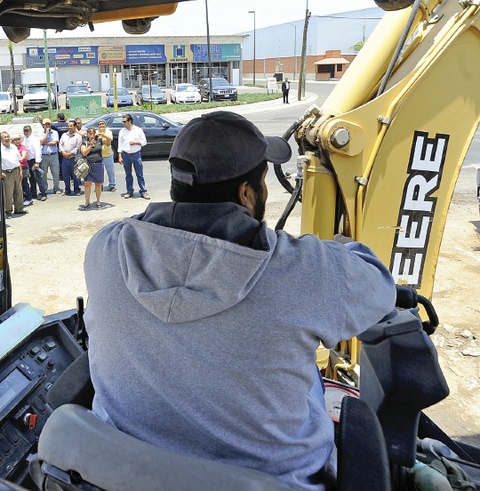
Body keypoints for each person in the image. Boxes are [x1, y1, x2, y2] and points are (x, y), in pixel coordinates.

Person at [84, 111, 395, 489]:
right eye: (264, 182)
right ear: (247, 193)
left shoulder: (105, 248)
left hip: (125, 472)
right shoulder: (305, 270)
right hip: (276, 480)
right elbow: (380, 287)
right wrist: (337, 250)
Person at [117, 114, 149, 199]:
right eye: (123, 121)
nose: (123, 123)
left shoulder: (138, 130)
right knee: (128, 175)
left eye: (124, 121)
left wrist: (135, 143)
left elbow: (144, 142)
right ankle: (129, 191)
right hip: (126, 155)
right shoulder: (122, 131)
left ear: (130, 121)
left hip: (136, 154)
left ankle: (143, 191)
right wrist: (120, 156)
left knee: (139, 174)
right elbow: (120, 144)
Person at [0, 132, 27, 217]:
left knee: (18, 191)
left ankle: (19, 209)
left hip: (16, 171)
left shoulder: (13, 147)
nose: (7, 138)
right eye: (4, 137)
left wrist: (20, 171)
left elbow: (18, 160)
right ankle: (8, 211)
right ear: (1, 139)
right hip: (6, 173)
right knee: (8, 193)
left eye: (8, 136)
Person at [79, 128, 106, 210]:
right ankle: (87, 202)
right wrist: (91, 145)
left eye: (93, 133)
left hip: (98, 164)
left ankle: (98, 201)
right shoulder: (85, 142)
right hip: (88, 166)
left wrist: (102, 134)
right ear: (87, 134)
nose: (91, 135)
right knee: (87, 184)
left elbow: (109, 141)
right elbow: (84, 153)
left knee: (98, 184)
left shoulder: (99, 141)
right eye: (90, 133)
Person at [23, 125, 47, 201]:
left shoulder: (35, 139)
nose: (26, 132)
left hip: (35, 160)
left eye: (27, 131)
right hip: (28, 161)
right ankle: (33, 193)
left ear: (30, 131)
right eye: (25, 131)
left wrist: (37, 162)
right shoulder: (24, 140)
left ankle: (43, 193)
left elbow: (38, 151)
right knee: (31, 178)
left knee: (38, 178)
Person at [59, 120, 83, 196]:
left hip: (73, 158)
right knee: (65, 175)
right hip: (64, 158)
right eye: (68, 126)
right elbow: (60, 144)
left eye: (71, 126)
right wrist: (63, 152)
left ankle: (77, 190)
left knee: (75, 175)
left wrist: (70, 153)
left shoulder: (78, 137)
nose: (69, 127)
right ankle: (67, 189)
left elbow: (78, 147)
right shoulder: (64, 135)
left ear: (75, 127)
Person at [40, 118, 62, 194]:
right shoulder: (40, 133)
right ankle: (45, 189)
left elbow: (54, 142)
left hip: (53, 155)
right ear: (43, 125)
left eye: (49, 124)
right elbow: (41, 141)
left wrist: (45, 143)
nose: (47, 126)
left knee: (55, 172)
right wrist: (46, 133)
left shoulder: (55, 132)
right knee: (44, 173)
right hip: (44, 155)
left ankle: (56, 188)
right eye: (46, 124)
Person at [11, 135, 33, 206]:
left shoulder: (22, 147)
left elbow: (24, 156)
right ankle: (21, 198)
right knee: (17, 185)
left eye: (18, 139)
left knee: (24, 183)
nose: (17, 141)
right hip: (15, 168)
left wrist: (16, 161)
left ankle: (28, 198)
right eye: (15, 140)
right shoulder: (11, 148)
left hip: (23, 167)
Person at [96, 119, 116, 192]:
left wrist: (102, 135)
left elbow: (109, 141)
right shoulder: (95, 132)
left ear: (105, 125)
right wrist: (104, 140)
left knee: (110, 171)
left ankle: (112, 185)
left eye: (103, 124)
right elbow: (95, 142)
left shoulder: (109, 132)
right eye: (100, 124)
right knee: (99, 172)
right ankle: (100, 185)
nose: (101, 125)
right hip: (98, 156)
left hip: (108, 155)